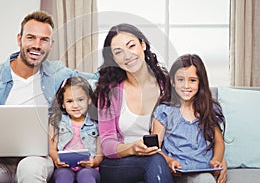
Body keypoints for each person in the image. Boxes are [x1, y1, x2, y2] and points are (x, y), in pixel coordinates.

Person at [0, 10, 98, 182]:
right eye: (31, 37)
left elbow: (96, 79)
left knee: (30, 169)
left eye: (44, 40)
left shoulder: (58, 73)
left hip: (36, 158)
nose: (37, 45)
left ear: (51, 44)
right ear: (20, 39)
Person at [94, 23, 174, 183]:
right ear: (114, 59)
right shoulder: (109, 90)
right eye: (118, 52)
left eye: (131, 46)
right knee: (154, 160)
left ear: (143, 44)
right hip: (119, 162)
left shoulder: (166, 85)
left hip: (159, 157)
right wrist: (132, 148)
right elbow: (107, 143)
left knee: (156, 159)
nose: (127, 56)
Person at [152, 54, 226, 183]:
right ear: (173, 82)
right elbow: (155, 147)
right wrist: (168, 160)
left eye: (192, 80)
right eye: (181, 80)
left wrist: (217, 160)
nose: (186, 86)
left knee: (206, 180)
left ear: (200, 83)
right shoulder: (164, 110)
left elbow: (219, 142)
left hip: (203, 170)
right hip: (177, 172)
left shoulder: (210, 108)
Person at [49, 76, 103, 183]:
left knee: (86, 176)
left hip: (89, 168)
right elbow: (52, 148)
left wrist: (95, 162)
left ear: (89, 100)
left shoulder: (96, 123)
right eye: (69, 101)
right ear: (63, 104)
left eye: (80, 100)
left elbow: (100, 153)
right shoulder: (56, 121)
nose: (75, 105)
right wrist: (56, 159)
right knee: (63, 176)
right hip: (64, 167)